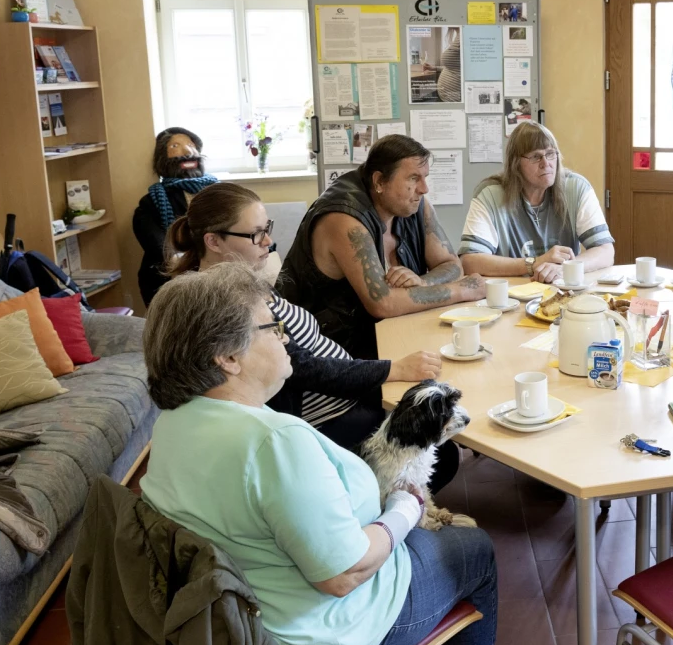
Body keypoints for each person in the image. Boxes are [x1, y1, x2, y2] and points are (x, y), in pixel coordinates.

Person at [139, 264, 498, 645]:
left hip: (244, 639)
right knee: (477, 551)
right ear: (227, 358)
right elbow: (344, 573)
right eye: (271, 326)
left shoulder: (172, 429)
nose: (287, 336)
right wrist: (406, 506)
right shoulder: (272, 444)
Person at [163, 182, 458, 492]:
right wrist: (392, 369)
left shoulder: (245, 279)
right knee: (442, 451)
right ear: (213, 241)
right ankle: (388, 508)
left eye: (268, 228)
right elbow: (304, 369)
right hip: (322, 416)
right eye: (255, 234)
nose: (269, 241)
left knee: (432, 407)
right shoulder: (223, 302)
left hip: (342, 394)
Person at [278, 135, 485, 361]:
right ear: (379, 182)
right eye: (414, 178)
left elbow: (451, 263)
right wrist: (462, 290)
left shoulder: (414, 205)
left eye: (425, 177)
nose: (424, 189)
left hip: (386, 339)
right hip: (327, 355)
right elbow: (383, 303)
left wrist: (423, 282)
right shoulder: (343, 217)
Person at [459, 122, 615, 283]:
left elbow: (605, 251)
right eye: (535, 156)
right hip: (513, 293)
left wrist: (566, 268)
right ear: (515, 164)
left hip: (564, 290)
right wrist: (533, 264)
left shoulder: (576, 188)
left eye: (550, 154)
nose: (546, 163)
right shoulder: (490, 194)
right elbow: (470, 261)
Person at [132, 127, 219, 305]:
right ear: (163, 158)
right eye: (176, 146)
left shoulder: (218, 193)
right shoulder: (150, 203)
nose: (187, 151)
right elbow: (158, 245)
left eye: (191, 145)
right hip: (170, 278)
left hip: (218, 271)